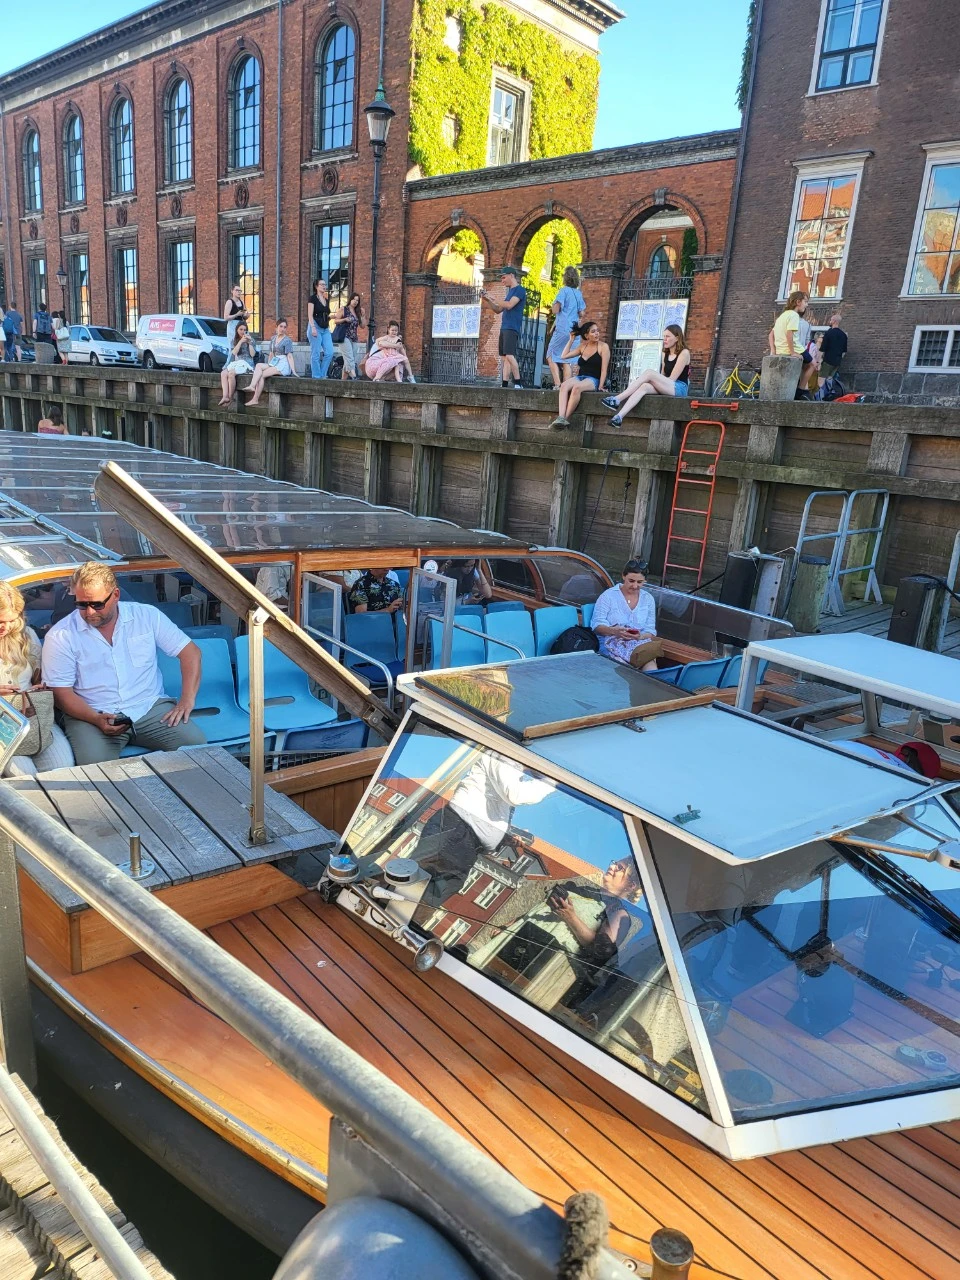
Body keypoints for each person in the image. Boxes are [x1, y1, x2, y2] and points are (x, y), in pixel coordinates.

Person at [41, 562, 206, 766]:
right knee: (95, 771)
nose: (89, 612)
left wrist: (187, 700)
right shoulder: (61, 635)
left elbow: (191, 653)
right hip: (91, 713)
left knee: (198, 752)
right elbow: (60, 692)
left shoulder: (146, 616)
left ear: (116, 595)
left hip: (149, 708)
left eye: (97, 604)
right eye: (81, 604)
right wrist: (95, 718)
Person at [415, 748, 555, 908]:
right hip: (458, 832)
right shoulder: (504, 754)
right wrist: (553, 781)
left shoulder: (512, 771)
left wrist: (502, 838)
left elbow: (489, 813)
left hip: (465, 841)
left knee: (430, 895)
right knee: (417, 889)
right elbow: (516, 795)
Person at [0, 581, 74, 776]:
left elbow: (40, 678)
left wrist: (39, 687)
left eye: (11, 620)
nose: (5, 627)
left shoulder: (26, 636)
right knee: (23, 775)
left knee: (63, 767)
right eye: (0, 621)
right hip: (3, 726)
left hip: (32, 715)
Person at [602, 324, 690, 428]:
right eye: (664, 336)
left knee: (649, 373)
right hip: (668, 386)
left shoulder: (684, 353)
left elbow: (672, 379)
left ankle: (617, 399)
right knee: (644, 386)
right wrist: (647, 380)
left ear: (677, 338)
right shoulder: (664, 353)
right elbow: (662, 375)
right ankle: (619, 417)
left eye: (668, 336)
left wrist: (650, 378)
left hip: (679, 388)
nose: (664, 339)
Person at [591, 558, 660, 670]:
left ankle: (649, 680)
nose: (635, 586)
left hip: (638, 643)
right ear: (623, 576)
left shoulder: (648, 599)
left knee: (650, 664)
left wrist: (640, 636)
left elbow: (650, 630)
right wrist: (615, 631)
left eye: (639, 582)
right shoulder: (608, 596)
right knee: (623, 669)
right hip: (611, 643)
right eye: (631, 581)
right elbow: (597, 626)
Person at [551, 320, 609, 429]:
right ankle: (560, 417)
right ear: (586, 336)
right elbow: (564, 356)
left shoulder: (603, 347)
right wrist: (571, 340)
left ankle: (566, 419)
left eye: (597, 331)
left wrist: (601, 386)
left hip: (593, 379)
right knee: (564, 386)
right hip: (580, 377)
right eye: (593, 332)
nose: (597, 333)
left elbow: (604, 370)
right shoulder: (583, 346)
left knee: (576, 388)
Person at [481, 267, 526, 389]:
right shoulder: (510, 292)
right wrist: (487, 299)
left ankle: (518, 383)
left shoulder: (520, 290)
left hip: (512, 327)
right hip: (504, 327)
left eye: (503, 277)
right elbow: (498, 309)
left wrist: (493, 297)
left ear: (511, 275)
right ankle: (505, 384)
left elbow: (509, 305)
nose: (502, 281)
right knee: (505, 357)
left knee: (510, 356)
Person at [546, 266, 586, 388]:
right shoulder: (578, 293)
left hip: (563, 328)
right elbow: (582, 313)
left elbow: (556, 309)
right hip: (574, 331)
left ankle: (557, 384)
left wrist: (554, 306)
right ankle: (566, 387)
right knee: (566, 359)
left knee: (550, 355)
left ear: (565, 278)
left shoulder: (564, 291)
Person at [245, 319, 295, 405]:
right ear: (276, 327)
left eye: (284, 327)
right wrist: (269, 364)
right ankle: (252, 386)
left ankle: (255, 399)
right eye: (281, 326)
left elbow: (289, 356)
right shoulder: (273, 338)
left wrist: (293, 370)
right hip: (275, 362)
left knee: (261, 375)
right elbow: (271, 354)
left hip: (283, 364)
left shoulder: (287, 340)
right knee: (258, 365)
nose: (282, 329)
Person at [218, 322, 257, 405]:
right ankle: (225, 396)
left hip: (247, 364)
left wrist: (249, 343)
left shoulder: (252, 340)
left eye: (245, 330)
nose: (243, 331)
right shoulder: (234, 340)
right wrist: (241, 342)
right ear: (237, 330)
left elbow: (253, 354)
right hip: (237, 363)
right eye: (241, 329)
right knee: (223, 373)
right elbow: (234, 353)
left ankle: (230, 398)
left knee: (231, 374)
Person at [332, 292, 366, 380]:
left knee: (349, 360)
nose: (355, 302)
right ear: (350, 300)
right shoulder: (344, 309)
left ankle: (343, 382)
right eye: (354, 299)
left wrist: (363, 316)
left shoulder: (357, 312)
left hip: (354, 338)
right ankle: (354, 375)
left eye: (357, 300)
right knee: (349, 358)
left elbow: (362, 326)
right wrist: (344, 319)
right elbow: (335, 321)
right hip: (344, 337)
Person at [306, 278, 333, 379]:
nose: (324, 286)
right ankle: (317, 377)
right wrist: (313, 328)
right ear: (316, 286)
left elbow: (325, 315)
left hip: (325, 328)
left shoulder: (326, 299)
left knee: (329, 352)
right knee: (316, 353)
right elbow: (310, 315)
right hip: (315, 326)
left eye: (325, 284)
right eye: (322, 284)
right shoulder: (312, 298)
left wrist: (332, 317)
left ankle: (322, 375)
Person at [819, 313, 848, 384]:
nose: (830, 321)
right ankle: (829, 391)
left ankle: (821, 391)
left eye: (831, 320)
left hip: (827, 361)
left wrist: (818, 361)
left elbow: (822, 348)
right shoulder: (843, 335)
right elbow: (844, 351)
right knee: (829, 380)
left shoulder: (829, 333)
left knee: (821, 380)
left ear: (834, 321)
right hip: (837, 362)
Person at [223, 283, 249, 348]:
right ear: (232, 291)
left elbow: (244, 316)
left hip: (241, 325)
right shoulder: (229, 302)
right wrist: (236, 314)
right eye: (237, 290)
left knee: (243, 344)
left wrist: (246, 315)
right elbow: (225, 318)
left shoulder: (242, 302)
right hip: (232, 325)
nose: (239, 292)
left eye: (240, 291)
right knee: (233, 345)